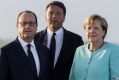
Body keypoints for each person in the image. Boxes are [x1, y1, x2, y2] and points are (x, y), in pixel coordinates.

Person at [35, 1, 84, 80]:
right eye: (51, 13)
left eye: (58, 14)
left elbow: (80, 67)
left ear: (64, 17)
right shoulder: (35, 38)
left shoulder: (75, 40)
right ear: (45, 16)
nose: (54, 16)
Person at [0, 10, 49, 80]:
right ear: (17, 26)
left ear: (36, 27)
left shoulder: (44, 51)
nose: (27, 26)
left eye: (31, 23)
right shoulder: (6, 52)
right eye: (23, 23)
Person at [69, 14, 119, 80]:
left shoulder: (113, 50)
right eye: (89, 28)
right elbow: (73, 77)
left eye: (96, 28)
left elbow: (115, 77)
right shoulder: (79, 50)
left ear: (103, 32)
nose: (92, 31)